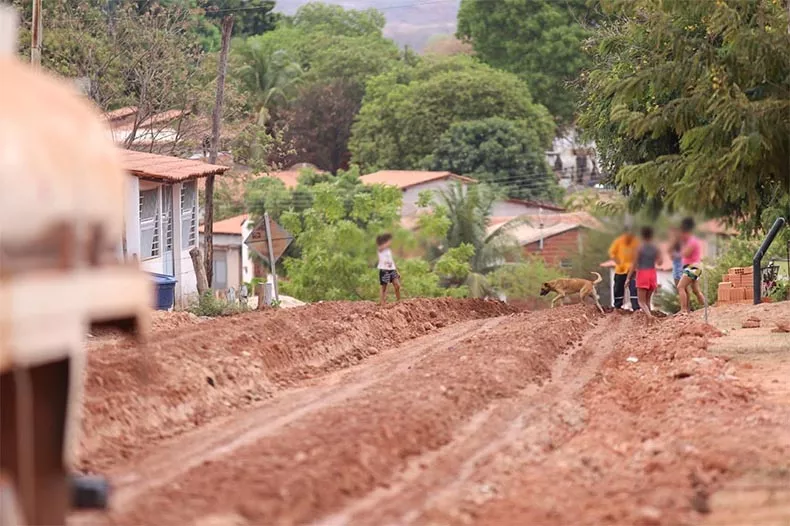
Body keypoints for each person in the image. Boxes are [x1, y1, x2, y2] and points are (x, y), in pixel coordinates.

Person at [628, 226, 662, 318]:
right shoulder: (656, 248)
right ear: (651, 235)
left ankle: (650, 317)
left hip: (643, 273)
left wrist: (628, 278)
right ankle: (648, 321)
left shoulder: (639, 248)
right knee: (647, 301)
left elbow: (634, 264)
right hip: (652, 273)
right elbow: (660, 262)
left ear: (642, 235)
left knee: (641, 301)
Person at [677, 217, 705, 314]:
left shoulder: (691, 241)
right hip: (693, 267)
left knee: (680, 286)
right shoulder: (690, 241)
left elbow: (686, 253)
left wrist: (680, 251)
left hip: (693, 267)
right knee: (696, 290)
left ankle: (684, 310)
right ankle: (706, 307)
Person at [609, 225, 640, 311]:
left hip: (633, 269)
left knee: (634, 287)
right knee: (618, 287)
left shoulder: (636, 242)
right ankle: (618, 306)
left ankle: (636, 307)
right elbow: (612, 253)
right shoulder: (618, 241)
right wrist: (619, 263)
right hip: (621, 269)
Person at [376, 233, 401, 306]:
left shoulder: (388, 250)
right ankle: (382, 302)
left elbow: (392, 260)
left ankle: (399, 301)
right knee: (384, 287)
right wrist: (387, 242)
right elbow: (382, 247)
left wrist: (397, 270)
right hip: (384, 269)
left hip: (392, 269)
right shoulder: (380, 249)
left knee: (397, 285)